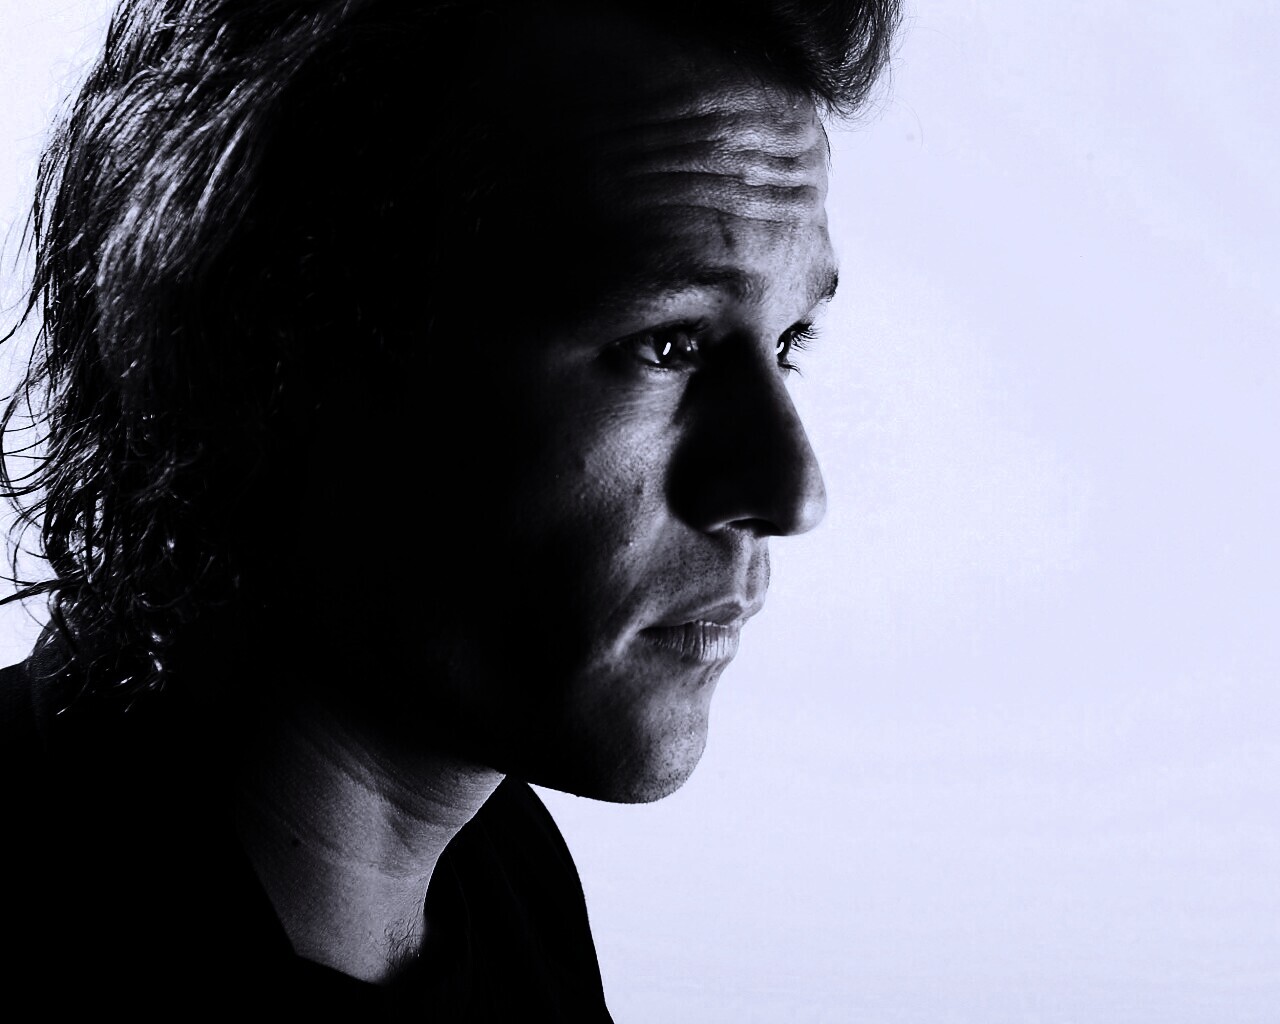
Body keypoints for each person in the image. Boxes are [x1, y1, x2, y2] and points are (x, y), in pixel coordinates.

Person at [0, 0, 898, 1016]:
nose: (790, 491)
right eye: (667, 344)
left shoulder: (505, 876)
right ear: (273, 351)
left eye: (788, 343)